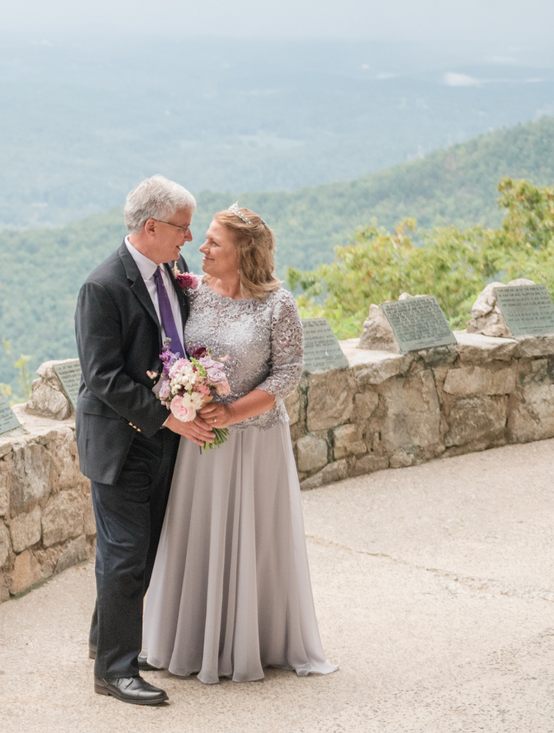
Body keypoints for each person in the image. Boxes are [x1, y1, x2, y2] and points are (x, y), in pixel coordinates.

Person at [140, 204, 337, 683]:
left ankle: (258, 639)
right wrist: (187, 398)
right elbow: (170, 353)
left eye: (213, 242)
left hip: (257, 442)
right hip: (202, 441)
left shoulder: (278, 304)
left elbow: (288, 373)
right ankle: (191, 640)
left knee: (257, 538)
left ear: (243, 252)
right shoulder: (191, 292)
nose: (200, 248)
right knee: (198, 533)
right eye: (203, 239)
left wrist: (233, 411)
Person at [74, 175, 215, 706]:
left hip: (162, 438)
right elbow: (103, 378)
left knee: (144, 549)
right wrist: (168, 420)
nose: (189, 238)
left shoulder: (171, 270)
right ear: (151, 226)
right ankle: (114, 671)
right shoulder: (102, 286)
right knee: (126, 553)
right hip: (121, 442)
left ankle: (101, 641)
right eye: (182, 227)